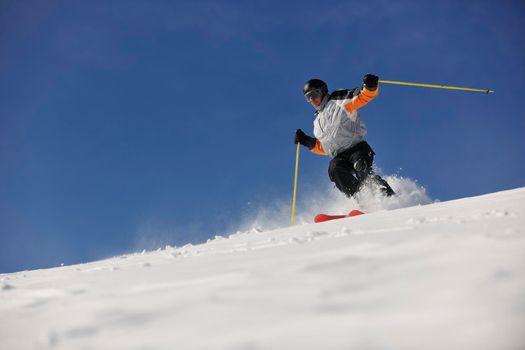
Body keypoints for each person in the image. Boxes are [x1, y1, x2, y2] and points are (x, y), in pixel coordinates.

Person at [294, 74, 395, 198]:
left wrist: (370, 87)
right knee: (334, 169)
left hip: (357, 148)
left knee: (360, 166)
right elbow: (326, 147)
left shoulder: (339, 100)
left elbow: (362, 97)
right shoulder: (317, 122)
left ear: (323, 91)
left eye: (314, 95)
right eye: (308, 98)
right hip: (340, 156)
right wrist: (306, 141)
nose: (312, 100)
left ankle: (387, 196)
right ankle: (361, 199)